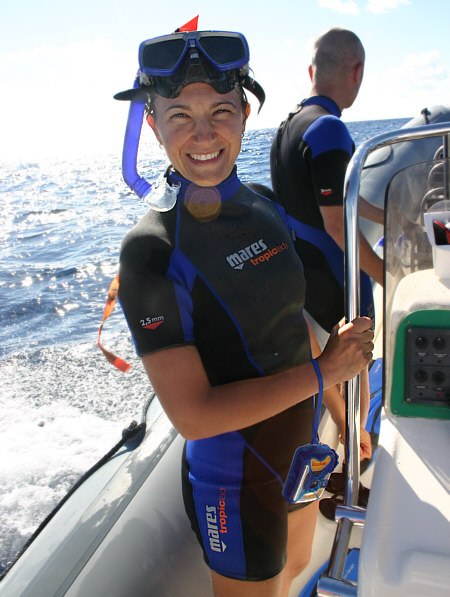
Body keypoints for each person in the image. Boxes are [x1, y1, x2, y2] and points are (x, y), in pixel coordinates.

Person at [114, 24, 373, 597]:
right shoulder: (152, 250)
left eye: (221, 111)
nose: (203, 134)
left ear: (246, 114)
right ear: (152, 126)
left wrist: (343, 413)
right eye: (180, 114)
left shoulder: (265, 205)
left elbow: (290, 325)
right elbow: (195, 417)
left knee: (300, 566)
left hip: (302, 451)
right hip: (236, 479)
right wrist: (328, 373)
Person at [270, 27, 383, 426]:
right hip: (338, 278)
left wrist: (385, 217)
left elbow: (330, 199)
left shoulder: (288, 128)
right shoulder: (330, 129)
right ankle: (361, 448)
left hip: (305, 276)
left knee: (329, 368)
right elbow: (337, 223)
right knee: (356, 366)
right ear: (357, 71)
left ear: (311, 71)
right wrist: (387, 276)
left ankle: (343, 447)